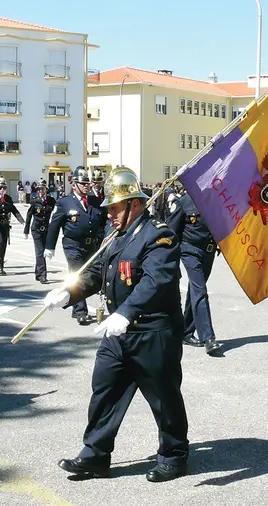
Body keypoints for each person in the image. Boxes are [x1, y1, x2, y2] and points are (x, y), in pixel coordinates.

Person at [44, 166, 190, 483]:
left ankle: (174, 455)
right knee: (105, 390)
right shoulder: (116, 236)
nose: (109, 213)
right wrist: (68, 294)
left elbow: (156, 281)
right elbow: (95, 274)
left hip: (152, 332)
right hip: (117, 333)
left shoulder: (159, 235)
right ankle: (95, 455)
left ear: (133, 204)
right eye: (108, 208)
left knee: (163, 397)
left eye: (114, 207)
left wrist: (127, 312)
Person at [44, 167, 106, 325]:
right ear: (74, 185)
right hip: (73, 245)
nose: (86, 186)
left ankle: (76, 305)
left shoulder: (95, 201)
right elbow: (54, 225)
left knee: (90, 275)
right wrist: (49, 247)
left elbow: (104, 222)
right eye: (82, 183)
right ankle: (80, 311)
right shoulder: (64, 203)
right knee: (77, 274)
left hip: (92, 245)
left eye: (87, 183)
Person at [166, 187, 221, 355]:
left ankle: (186, 332)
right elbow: (172, 231)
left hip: (209, 251)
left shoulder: (216, 201)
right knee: (200, 290)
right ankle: (208, 337)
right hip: (190, 250)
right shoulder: (184, 202)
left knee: (196, 290)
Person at [23, 179, 55, 284]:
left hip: (46, 229)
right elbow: (29, 215)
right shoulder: (34, 200)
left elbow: (55, 214)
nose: (40, 191)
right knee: (40, 252)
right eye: (39, 189)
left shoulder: (51, 201)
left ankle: (37, 273)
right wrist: (26, 230)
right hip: (36, 229)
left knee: (43, 251)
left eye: (42, 189)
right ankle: (42, 275)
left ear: (46, 190)